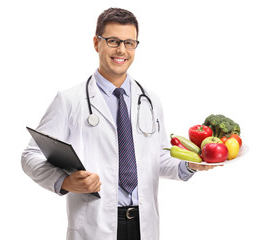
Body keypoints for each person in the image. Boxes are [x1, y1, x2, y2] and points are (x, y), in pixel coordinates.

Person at [21, 7, 217, 240]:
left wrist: (191, 165)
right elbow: (31, 155)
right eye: (113, 41)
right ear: (97, 43)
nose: (122, 50)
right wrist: (65, 181)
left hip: (143, 224)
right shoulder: (69, 100)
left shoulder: (151, 100)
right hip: (95, 224)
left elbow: (158, 159)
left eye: (129, 43)